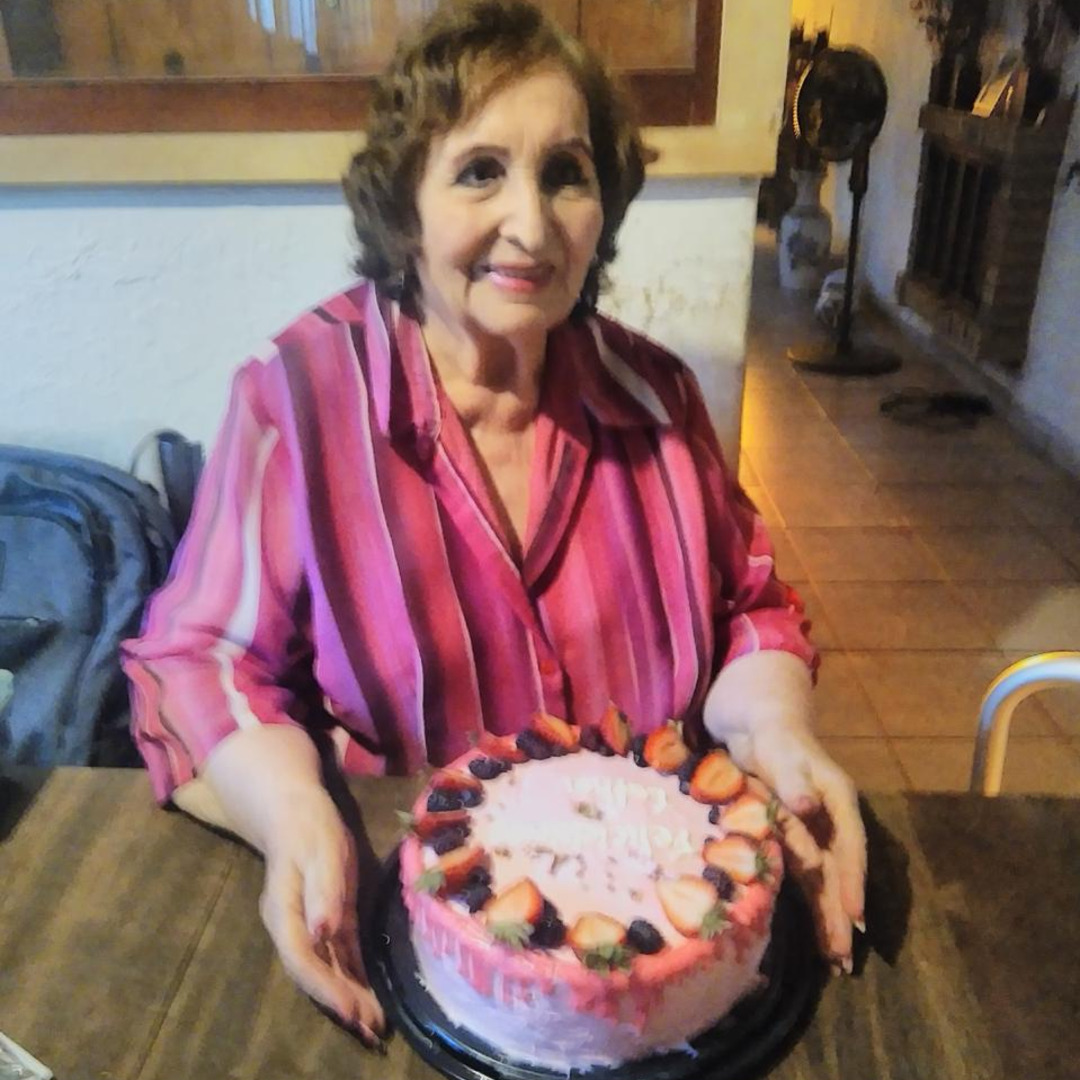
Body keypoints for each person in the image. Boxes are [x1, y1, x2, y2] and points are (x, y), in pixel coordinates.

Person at [122, 0, 866, 1047]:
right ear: (404, 208)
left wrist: (776, 729)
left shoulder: (657, 398)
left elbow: (749, 611)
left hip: (655, 944)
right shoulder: (299, 403)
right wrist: (292, 813)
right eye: (479, 171)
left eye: (566, 173)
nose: (531, 222)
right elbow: (197, 662)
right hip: (407, 951)